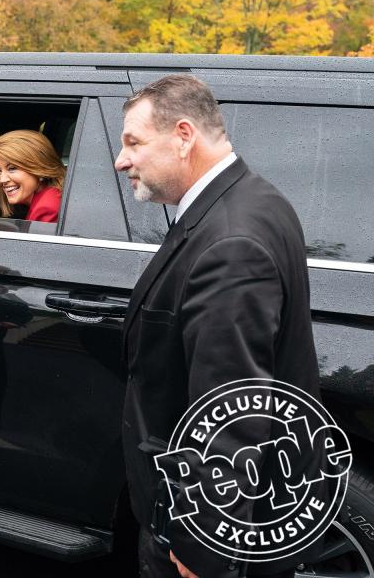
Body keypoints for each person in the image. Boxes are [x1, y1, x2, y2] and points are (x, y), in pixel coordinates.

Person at [114, 75, 320, 578]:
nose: (122, 160)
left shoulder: (230, 241)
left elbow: (231, 405)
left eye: (133, 143)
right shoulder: (255, 198)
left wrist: (205, 540)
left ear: (184, 136)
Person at [0, 129, 65, 223]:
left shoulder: (46, 209)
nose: (2, 180)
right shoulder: (47, 197)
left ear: (40, 169)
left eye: (12, 168)